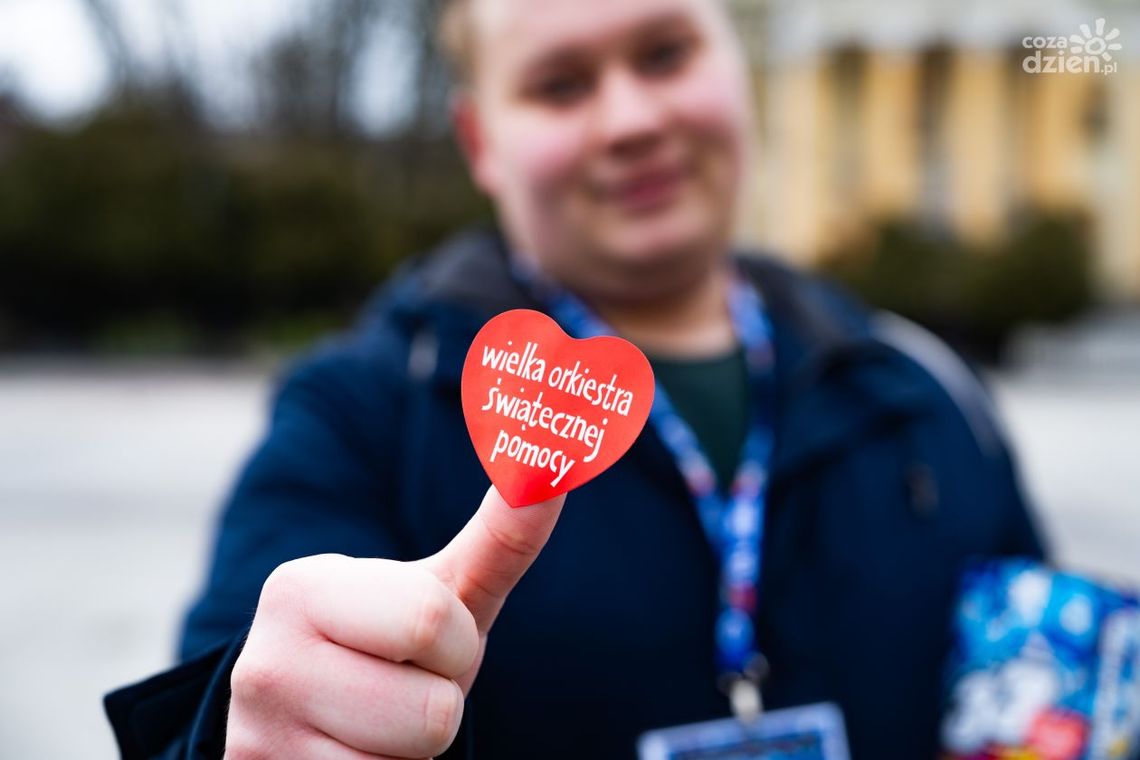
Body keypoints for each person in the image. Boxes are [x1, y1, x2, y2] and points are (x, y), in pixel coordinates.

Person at [105, 0, 1047, 757]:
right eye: (560, 85)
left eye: (666, 54)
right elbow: (226, 694)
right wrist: (254, 728)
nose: (632, 120)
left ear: (738, 66)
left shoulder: (926, 390)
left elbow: (1039, 686)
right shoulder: (364, 411)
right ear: (481, 142)